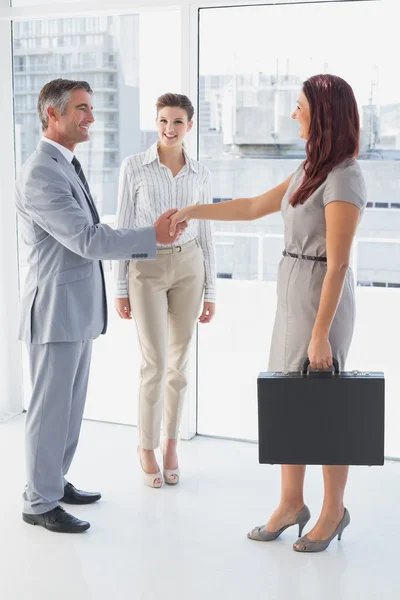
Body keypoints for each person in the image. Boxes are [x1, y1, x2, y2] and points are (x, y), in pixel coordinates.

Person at [169, 74, 366, 552]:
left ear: (323, 115)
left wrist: (321, 334)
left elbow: (338, 263)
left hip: (322, 299)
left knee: (325, 407)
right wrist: (192, 210)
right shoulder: (308, 170)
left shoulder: (344, 175)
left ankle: (333, 510)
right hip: (293, 294)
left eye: (300, 107)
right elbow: (255, 205)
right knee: (289, 400)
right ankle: (289, 503)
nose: (294, 114)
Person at [15, 79, 187, 533]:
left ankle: (52, 482)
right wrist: (153, 236)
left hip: (75, 307)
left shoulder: (64, 164)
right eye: (81, 109)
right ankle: (38, 502)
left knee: (69, 408)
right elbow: (87, 239)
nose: (91, 117)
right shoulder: (41, 171)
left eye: (90, 108)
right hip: (55, 309)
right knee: (49, 409)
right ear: (52, 115)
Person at [114, 93, 216, 488]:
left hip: (190, 266)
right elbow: (123, 226)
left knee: (179, 364)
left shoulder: (200, 173)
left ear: (189, 126)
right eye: (162, 121)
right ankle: (145, 446)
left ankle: (171, 444)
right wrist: (121, 286)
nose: (168, 129)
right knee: (154, 363)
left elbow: (207, 230)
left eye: (176, 122)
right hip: (147, 266)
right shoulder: (134, 167)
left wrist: (211, 292)